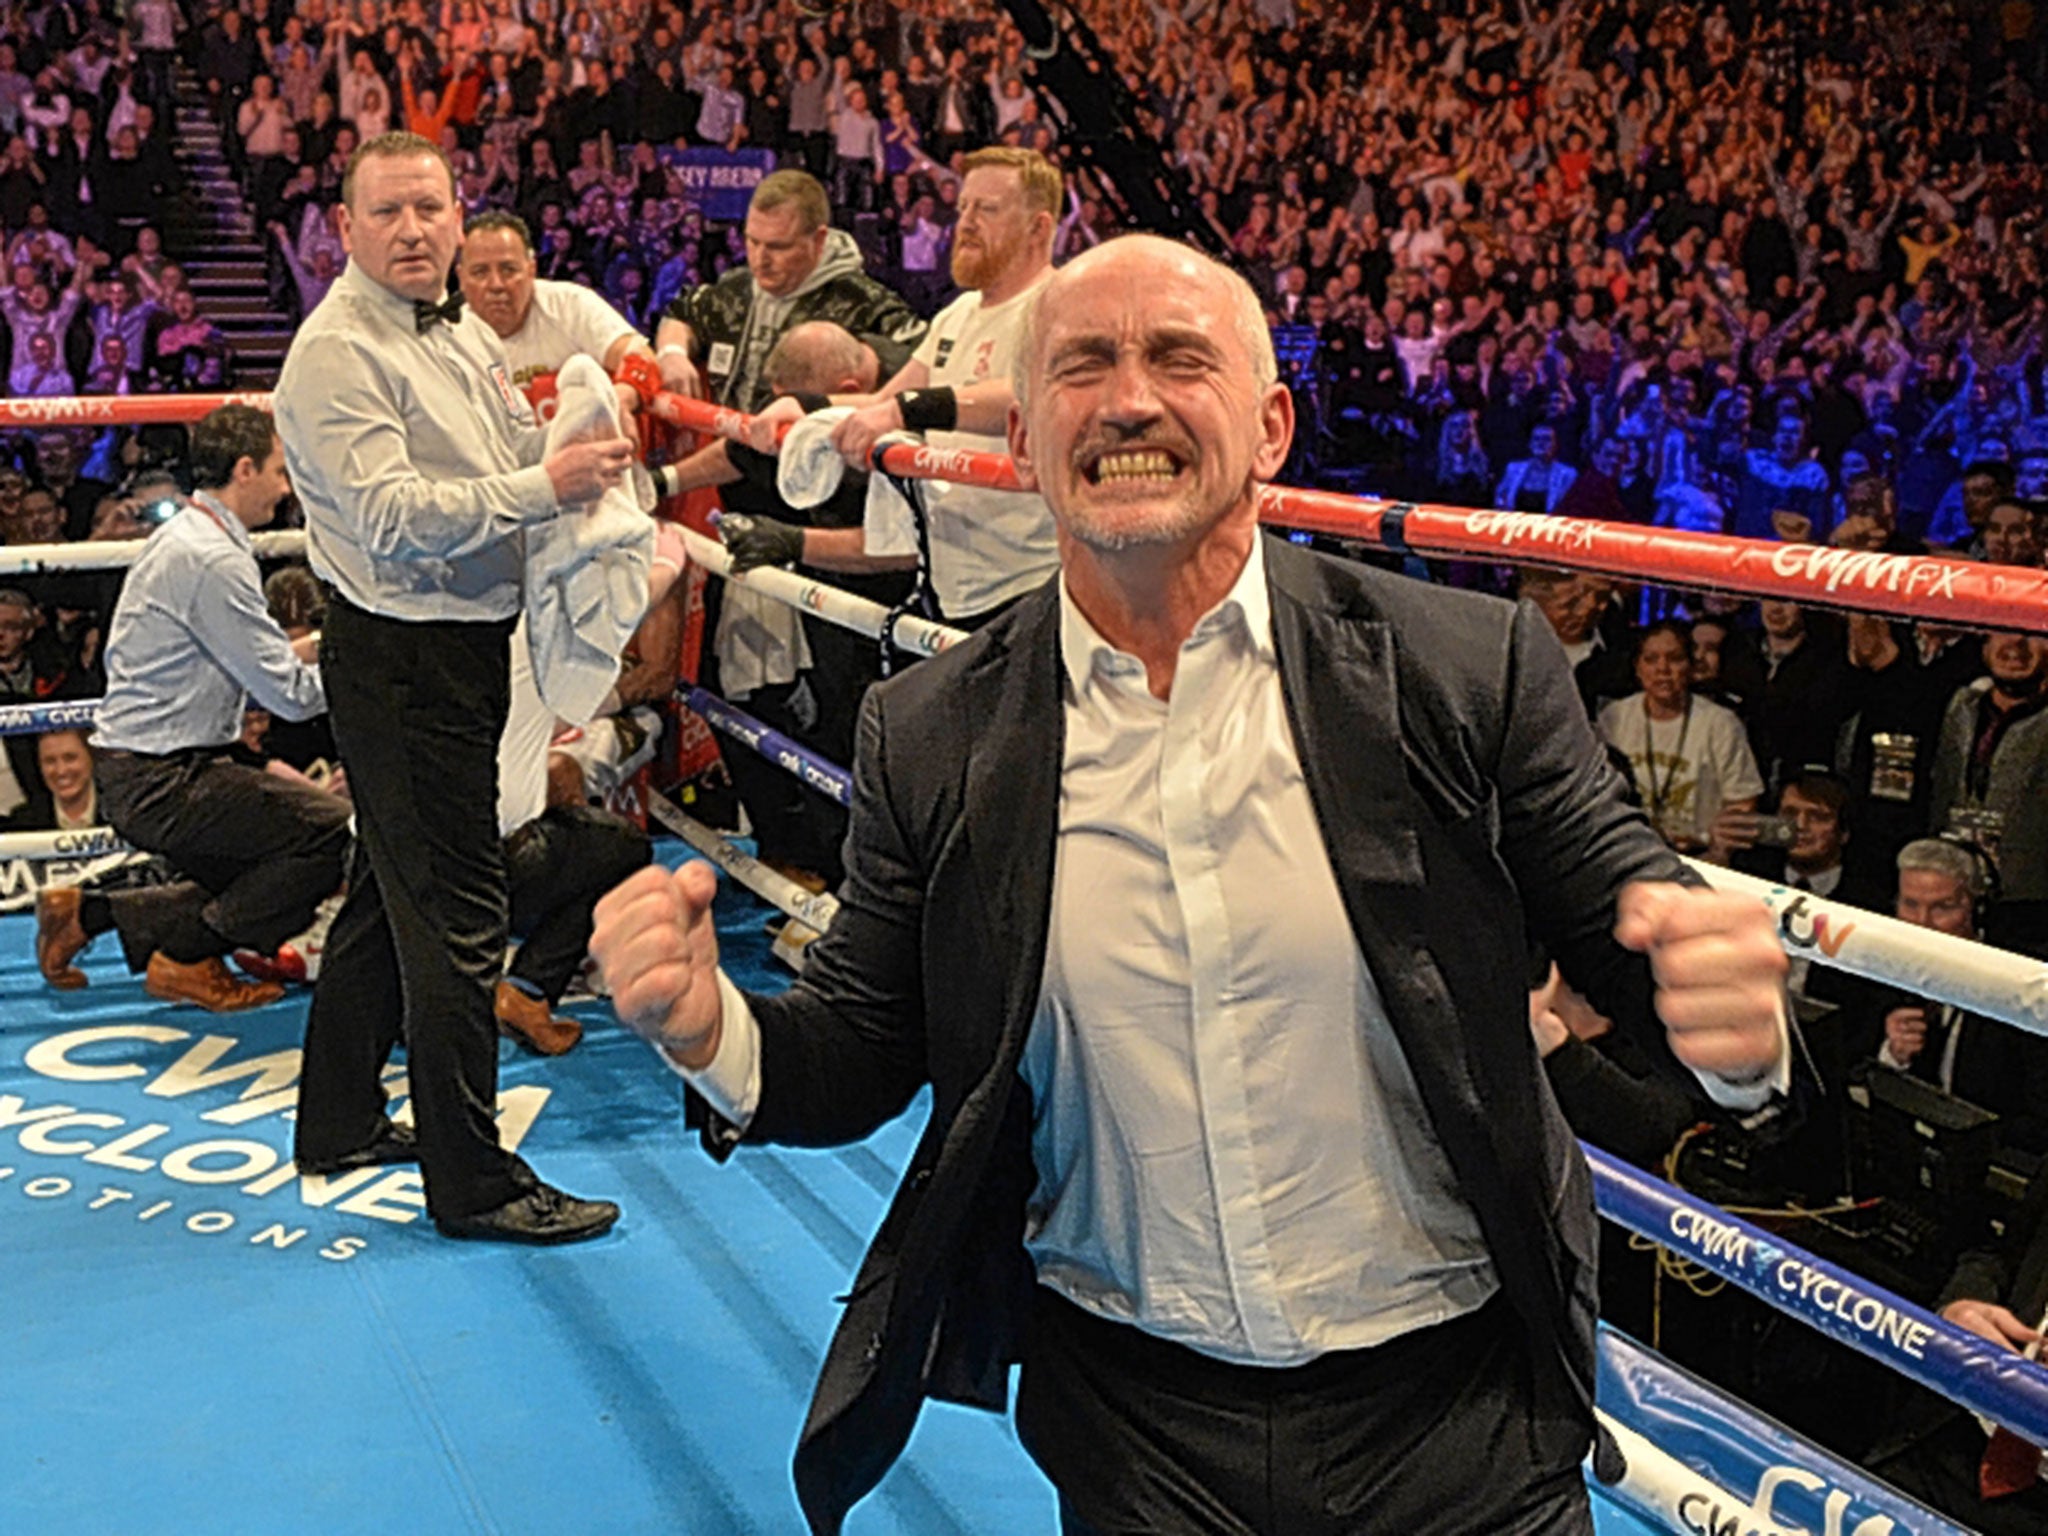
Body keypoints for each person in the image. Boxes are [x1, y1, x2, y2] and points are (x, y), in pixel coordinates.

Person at [590, 235, 1789, 1536]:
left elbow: (1632, 921)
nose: (1130, 399)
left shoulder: (1459, 666)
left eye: (1179, 358)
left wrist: (1734, 1029)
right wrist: (716, 1037)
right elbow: (868, 1044)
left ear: (1269, 426)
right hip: (1135, 1431)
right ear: (1032, 439)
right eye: (1083, 366)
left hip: (1462, 1415)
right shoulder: (932, 730)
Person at [273, 131, 632, 1244]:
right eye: (388, 212)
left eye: (430, 207)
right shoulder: (337, 354)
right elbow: (388, 514)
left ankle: (335, 1122)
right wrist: (544, 483)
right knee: (462, 921)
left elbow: (499, 440)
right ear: (345, 227)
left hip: (459, 649)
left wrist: (559, 437)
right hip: (404, 657)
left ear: (457, 209)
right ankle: (473, 1182)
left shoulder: (459, 325)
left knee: (392, 895)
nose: (415, 229)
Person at [34, 405, 346, 1012]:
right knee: (327, 839)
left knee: (253, 864)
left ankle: (85, 913)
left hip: (153, 764)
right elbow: (288, 695)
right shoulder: (212, 559)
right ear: (246, 468)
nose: (286, 489)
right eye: (280, 473)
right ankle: (183, 962)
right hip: (164, 777)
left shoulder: (190, 535)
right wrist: (363, 662)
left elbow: (246, 655)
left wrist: (324, 646)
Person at [741, 146, 1062, 629]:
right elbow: (884, 400)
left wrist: (905, 411)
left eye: (988, 210)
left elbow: (1028, 394)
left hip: (1029, 582)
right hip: (953, 574)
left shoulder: (1057, 305)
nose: (967, 222)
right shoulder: (958, 313)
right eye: (965, 206)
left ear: (1039, 228)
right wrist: (804, 406)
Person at [1861, 838, 2048, 1152]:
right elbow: (1851, 1071)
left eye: (1943, 908)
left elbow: (2039, 1121)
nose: (1922, 924)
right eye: (1910, 905)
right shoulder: (1884, 970)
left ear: (1976, 909)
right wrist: (1892, 1057)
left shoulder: (2020, 986)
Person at [1598, 620, 1765, 853]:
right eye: (1651, 659)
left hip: (1699, 853)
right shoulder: (1614, 717)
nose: (1663, 669)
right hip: (1628, 850)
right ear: (1638, 668)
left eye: (1675, 659)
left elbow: (1743, 801)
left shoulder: (1721, 723)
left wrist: (1715, 844)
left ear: (1690, 667)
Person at [457, 209, 655, 390]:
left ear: (531, 270)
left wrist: (626, 395)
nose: (496, 285)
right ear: (461, 279)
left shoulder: (571, 305)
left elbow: (640, 355)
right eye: (480, 272)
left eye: (509, 270)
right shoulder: (449, 343)